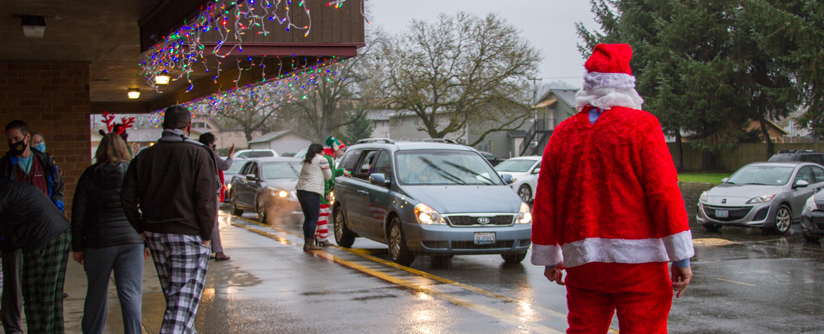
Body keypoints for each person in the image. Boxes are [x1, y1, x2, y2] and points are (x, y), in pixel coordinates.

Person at [531, 43, 694, 334]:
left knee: (584, 329)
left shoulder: (563, 134)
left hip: (583, 261)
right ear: (626, 86)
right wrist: (680, 258)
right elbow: (664, 195)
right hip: (639, 261)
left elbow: (546, 201)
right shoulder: (643, 127)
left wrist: (549, 258)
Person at [121, 105, 218, 334]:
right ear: (189, 127)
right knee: (180, 307)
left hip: (155, 233)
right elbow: (206, 200)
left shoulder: (144, 156)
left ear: (164, 126)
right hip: (188, 233)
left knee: (178, 301)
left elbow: (126, 198)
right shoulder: (199, 153)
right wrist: (206, 237)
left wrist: (141, 228)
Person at [72, 133, 147, 334]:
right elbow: (144, 207)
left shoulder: (89, 174)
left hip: (98, 243)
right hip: (131, 241)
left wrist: (77, 247)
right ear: (124, 149)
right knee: (130, 294)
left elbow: (78, 213)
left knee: (96, 294)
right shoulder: (133, 173)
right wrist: (147, 242)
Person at [0, 120, 65, 334]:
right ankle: (13, 327)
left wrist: (54, 210)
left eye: (17, 139)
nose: (13, 143)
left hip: (40, 230)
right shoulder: (4, 166)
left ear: (27, 138)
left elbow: (57, 191)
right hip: (14, 232)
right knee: (14, 284)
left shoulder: (46, 163)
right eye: (9, 140)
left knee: (39, 285)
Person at [0, 181, 70, 334]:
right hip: (58, 233)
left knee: (38, 296)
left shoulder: (4, 192)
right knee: (50, 297)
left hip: (44, 237)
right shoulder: (11, 188)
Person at [198, 132, 235, 261]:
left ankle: (205, 249)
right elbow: (224, 165)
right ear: (210, 143)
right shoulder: (208, 152)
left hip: (198, 189)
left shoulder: (196, 151)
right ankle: (218, 251)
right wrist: (230, 155)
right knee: (213, 221)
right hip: (209, 189)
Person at [295, 143, 332, 251]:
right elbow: (328, 176)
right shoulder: (322, 159)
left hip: (301, 191)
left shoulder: (307, 161)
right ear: (321, 151)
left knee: (307, 218)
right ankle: (310, 243)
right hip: (312, 192)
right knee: (313, 219)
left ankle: (307, 242)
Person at [315, 136, 351, 246]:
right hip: (323, 192)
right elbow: (326, 178)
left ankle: (317, 235)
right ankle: (323, 238)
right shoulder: (329, 159)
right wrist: (326, 193)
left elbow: (332, 173)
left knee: (320, 215)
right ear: (335, 149)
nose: (342, 152)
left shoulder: (330, 159)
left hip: (321, 191)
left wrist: (341, 171)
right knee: (323, 215)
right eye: (341, 150)